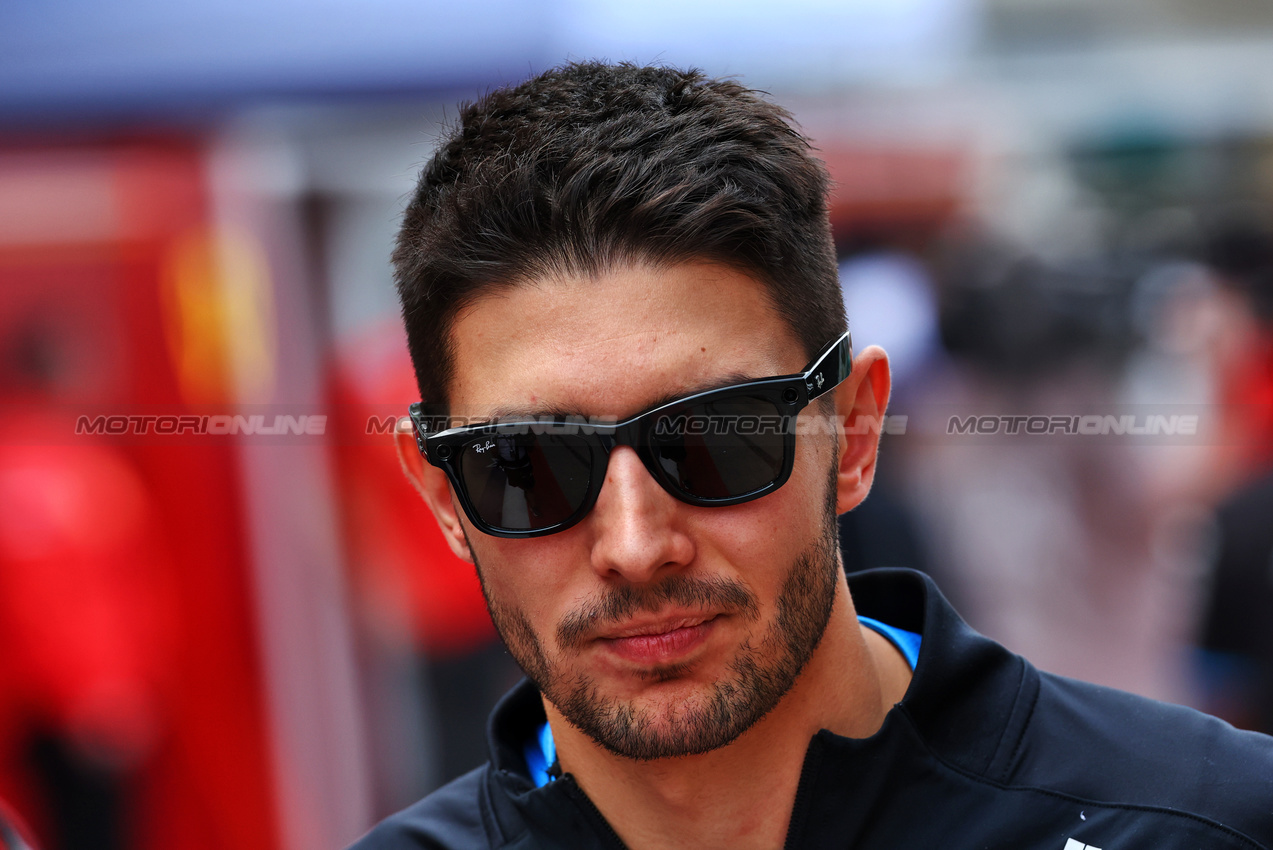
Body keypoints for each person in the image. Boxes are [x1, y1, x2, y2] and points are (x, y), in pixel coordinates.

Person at [351, 62, 1273, 849]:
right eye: (527, 466)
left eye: (715, 438)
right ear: (441, 495)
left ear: (854, 434)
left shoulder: (1206, 821)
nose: (634, 544)